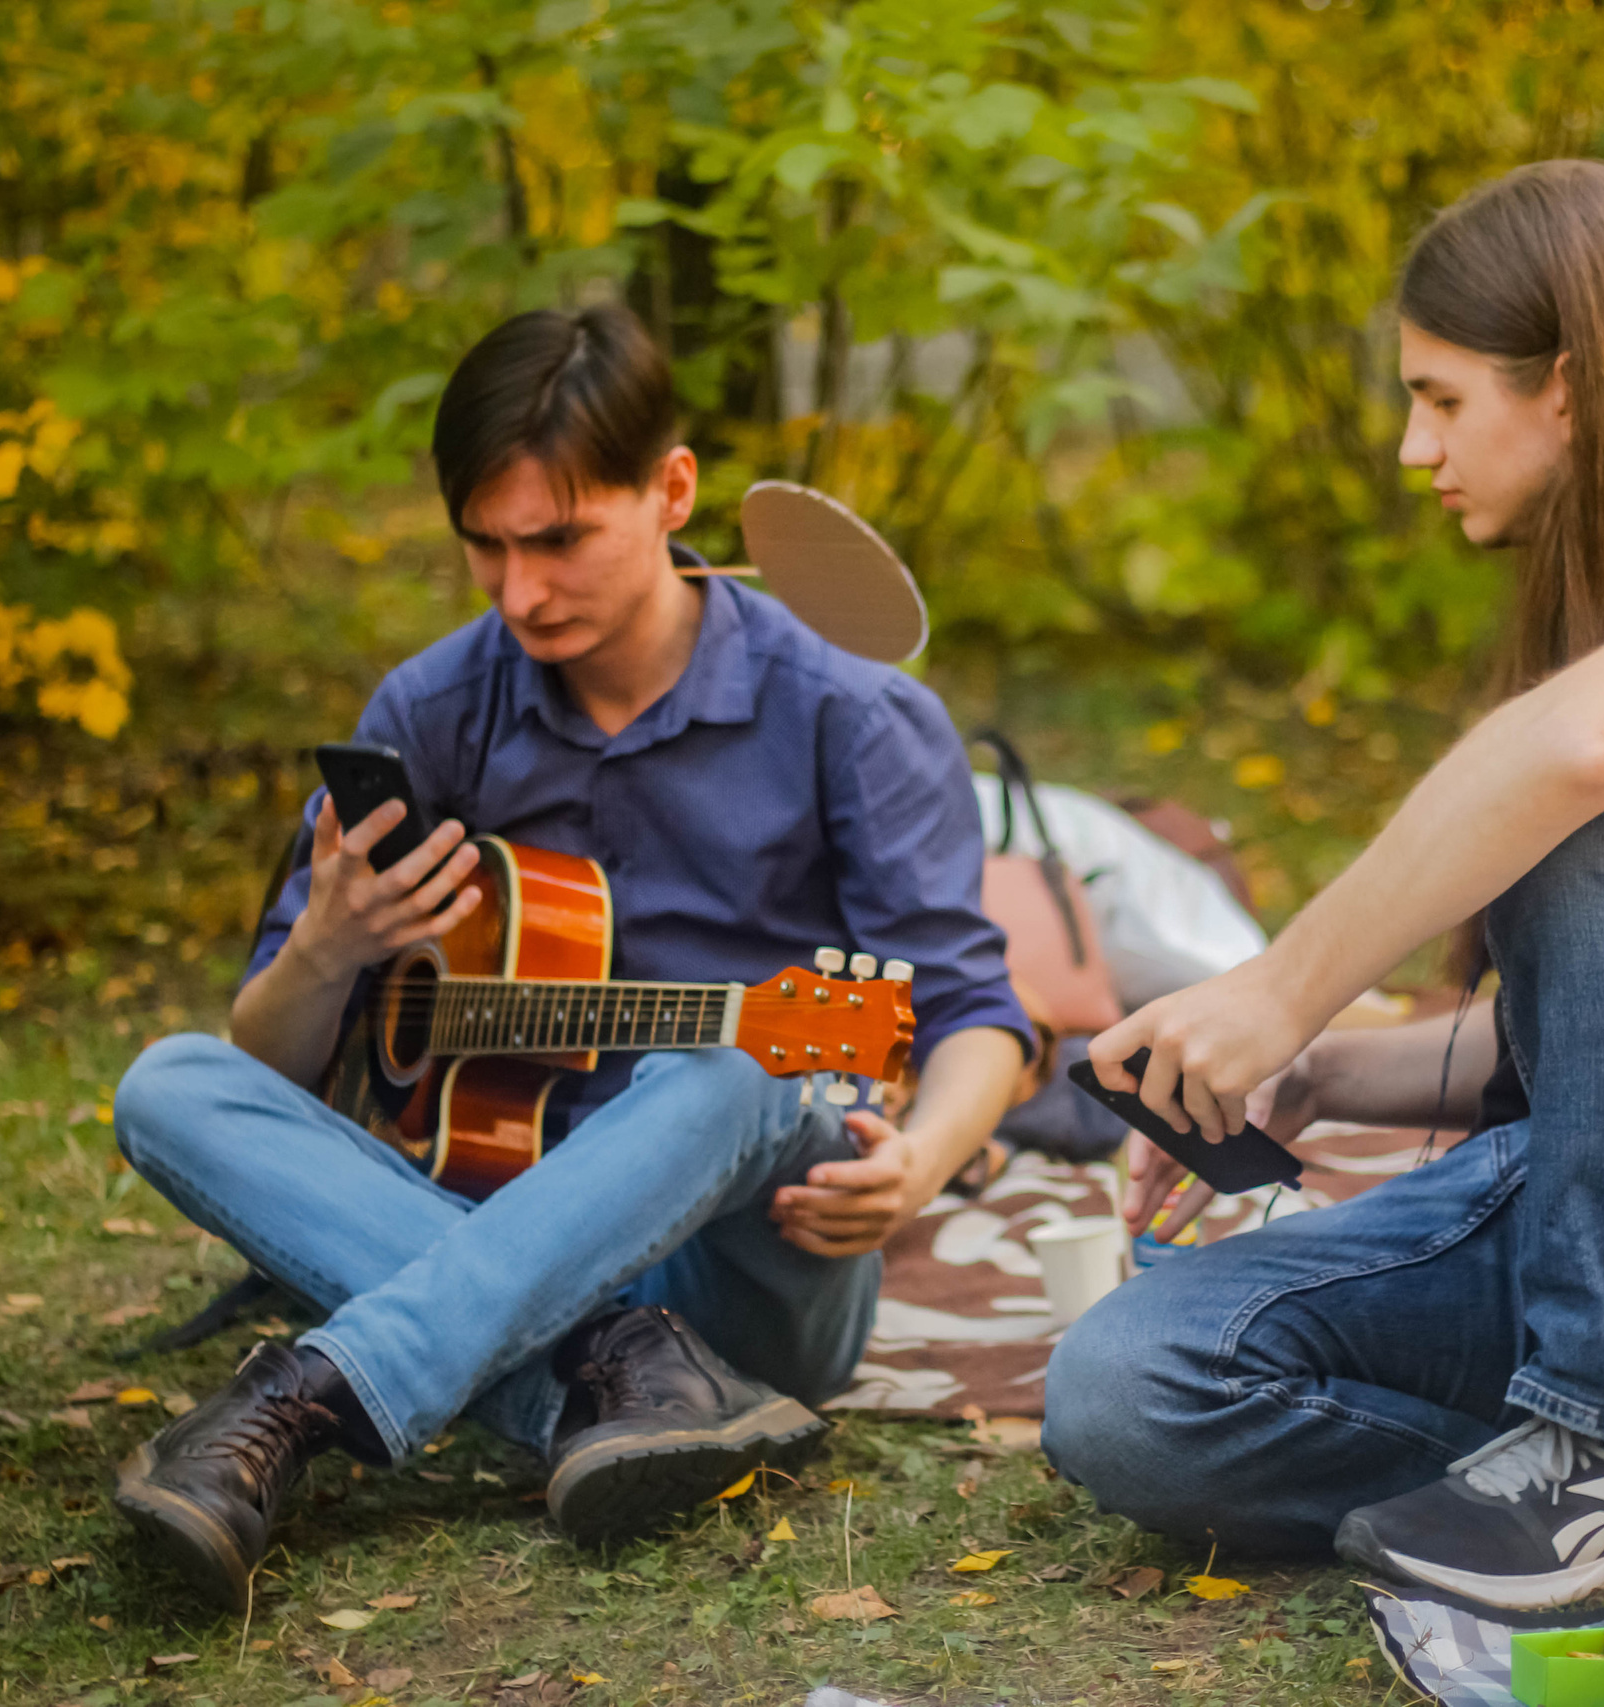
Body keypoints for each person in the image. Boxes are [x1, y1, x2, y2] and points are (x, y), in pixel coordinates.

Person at [1043, 159, 1604, 1612]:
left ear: (1576, 391)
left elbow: (1585, 759)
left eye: (1442, 397)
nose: (1414, 449)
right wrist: (1332, 1070)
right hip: (1581, 1224)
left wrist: (1284, 994)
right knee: (1125, 1386)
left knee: (1570, 791)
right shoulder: (1594, 615)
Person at [108, 304, 1031, 1606]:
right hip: (486, 1215)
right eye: (483, 546)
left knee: (744, 1058)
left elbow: (971, 1010)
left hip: (754, 1257)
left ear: (672, 490)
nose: (520, 591)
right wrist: (326, 948)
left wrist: (924, 1161)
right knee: (170, 1087)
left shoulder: (851, 712)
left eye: (558, 540)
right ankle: (626, 1388)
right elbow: (279, 1065)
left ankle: (312, 1394)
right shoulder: (431, 711)